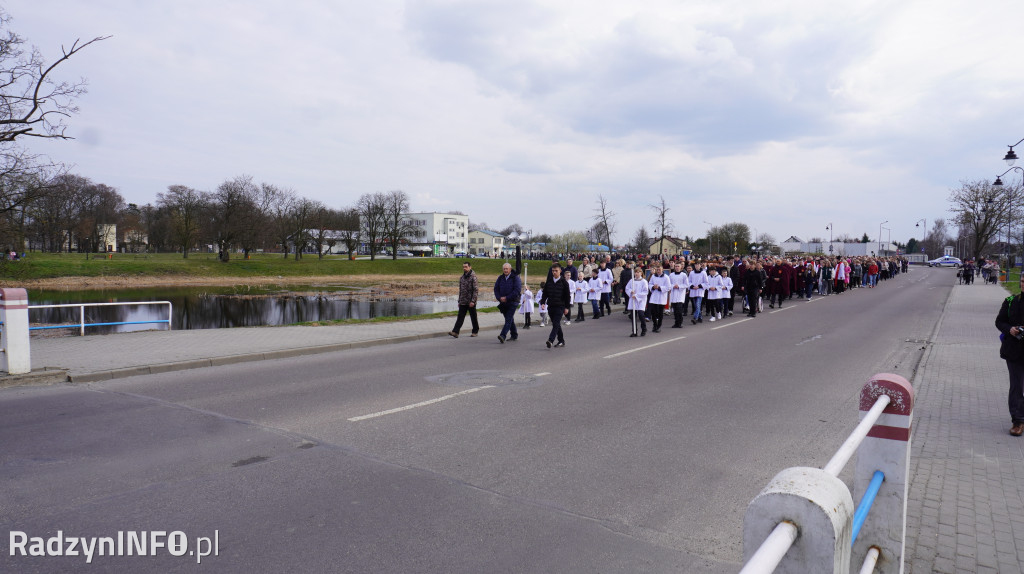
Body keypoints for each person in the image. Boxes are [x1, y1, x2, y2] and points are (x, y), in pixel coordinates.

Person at [996, 292, 1024, 436]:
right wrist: (1010, 329)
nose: (1023, 283)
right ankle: (1018, 421)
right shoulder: (1011, 300)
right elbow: (999, 321)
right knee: (1017, 386)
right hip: (1014, 351)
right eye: (1023, 281)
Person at [540, 264, 571, 348]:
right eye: (553, 271)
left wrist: (567, 307)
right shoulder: (549, 281)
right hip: (551, 306)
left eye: (556, 271)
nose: (554, 272)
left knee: (556, 323)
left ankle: (550, 340)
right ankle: (561, 341)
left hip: (560, 306)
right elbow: (545, 293)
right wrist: (542, 303)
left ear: (560, 271)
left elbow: (567, 296)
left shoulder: (564, 282)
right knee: (556, 324)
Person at [448, 261, 479, 338]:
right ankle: (455, 332)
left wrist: (473, 301)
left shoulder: (473, 277)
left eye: (466, 267)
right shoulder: (462, 278)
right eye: (463, 267)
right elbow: (461, 290)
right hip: (463, 301)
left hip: (470, 301)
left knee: (473, 317)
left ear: (470, 267)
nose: (464, 268)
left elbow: (475, 290)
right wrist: (459, 300)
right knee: (460, 317)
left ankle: (475, 331)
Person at [494, 263, 522, 343]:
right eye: (504, 269)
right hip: (503, 302)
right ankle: (514, 334)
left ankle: (503, 335)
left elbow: (517, 290)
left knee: (508, 318)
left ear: (510, 269)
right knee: (509, 319)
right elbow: (496, 289)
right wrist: (499, 298)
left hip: (513, 301)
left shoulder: (515, 278)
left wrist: (507, 298)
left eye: (507, 269)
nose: (505, 270)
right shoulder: (500, 278)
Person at [625, 266, 649, 337]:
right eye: (635, 272)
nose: (636, 274)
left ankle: (644, 329)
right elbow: (627, 288)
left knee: (641, 315)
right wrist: (630, 292)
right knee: (633, 316)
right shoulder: (631, 281)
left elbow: (645, 291)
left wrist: (637, 295)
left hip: (640, 300)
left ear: (641, 273)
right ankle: (634, 331)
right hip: (633, 300)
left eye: (638, 272)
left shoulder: (644, 281)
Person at [647, 264, 671, 332]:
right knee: (653, 312)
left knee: (660, 313)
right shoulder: (653, 276)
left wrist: (660, 287)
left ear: (662, 270)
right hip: (654, 296)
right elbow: (650, 284)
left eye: (659, 270)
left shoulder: (666, 277)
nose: (658, 271)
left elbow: (668, 287)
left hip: (661, 296)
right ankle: (654, 325)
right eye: (657, 270)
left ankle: (659, 326)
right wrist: (653, 287)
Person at [669, 261, 689, 328]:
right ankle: (676, 323)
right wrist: (673, 286)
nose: (677, 268)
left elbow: (686, 284)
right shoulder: (671, 275)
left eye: (678, 266)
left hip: (680, 294)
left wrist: (679, 286)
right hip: (673, 294)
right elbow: (668, 284)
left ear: (681, 267)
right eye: (676, 266)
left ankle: (680, 322)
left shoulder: (684, 275)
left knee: (679, 309)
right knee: (675, 310)